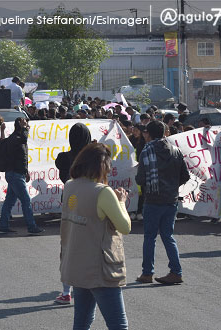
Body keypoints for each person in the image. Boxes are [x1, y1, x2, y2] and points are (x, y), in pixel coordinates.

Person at [60, 143, 131, 330]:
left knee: (82, 322)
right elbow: (125, 226)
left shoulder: (70, 186)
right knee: (118, 324)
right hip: (100, 268)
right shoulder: (103, 192)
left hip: (77, 264)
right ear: (101, 165)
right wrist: (122, 202)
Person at [136, 121, 190, 285]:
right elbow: (185, 176)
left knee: (150, 237)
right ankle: (176, 272)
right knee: (168, 236)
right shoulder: (176, 150)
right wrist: (172, 186)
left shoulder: (147, 150)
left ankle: (147, 274)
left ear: (149, 134)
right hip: (171, 199)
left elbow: (140, 178)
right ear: (165, 133)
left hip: (153, 200)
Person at [54, 122, 92, 304]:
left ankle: (66, 290)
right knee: (88, 243)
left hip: (69, 203)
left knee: (67, 245)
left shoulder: (64, 158)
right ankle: (87, 283)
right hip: (89, 203)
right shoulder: (93, 159)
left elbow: (61, 173)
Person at [0, 117, 44, 235]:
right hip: (15, 174)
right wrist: (24, 128)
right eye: (24, 124)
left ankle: (3, 225)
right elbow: (23, 139)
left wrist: (25, 171)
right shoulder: (17, 139)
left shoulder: (15, 139)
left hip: (17, 173)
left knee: (9, 201)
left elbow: (22, 158)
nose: (27, 126)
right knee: (26, 200)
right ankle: (31, 226)